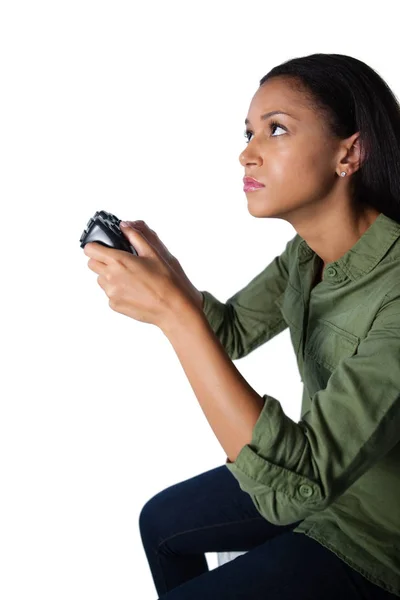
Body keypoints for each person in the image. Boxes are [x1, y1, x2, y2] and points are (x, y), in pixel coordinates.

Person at [138, 53, 400, 599]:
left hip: (377, 541)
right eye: (249, 131)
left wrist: (173, 313)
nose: (246, 153)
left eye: (275, 129)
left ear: (348, 152)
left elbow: (298, 487)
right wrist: (169, 275)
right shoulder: (304, 256)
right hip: (323, 491)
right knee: (161, 524)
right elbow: (230, 331)